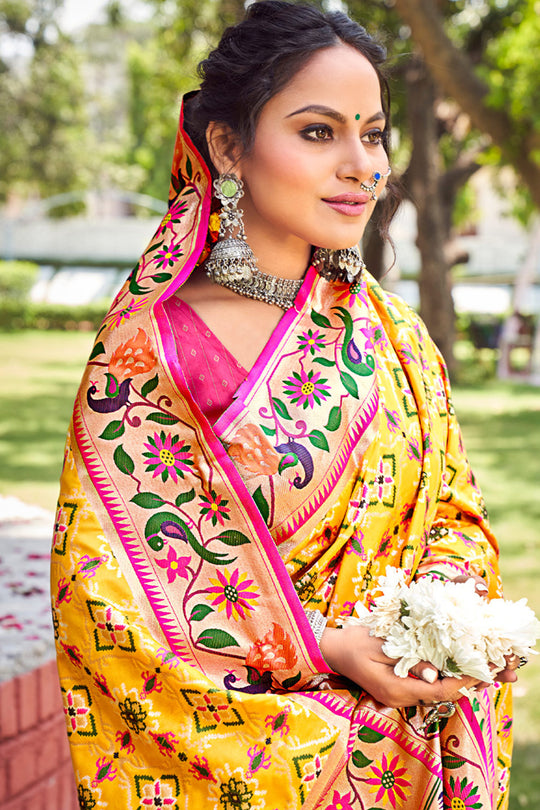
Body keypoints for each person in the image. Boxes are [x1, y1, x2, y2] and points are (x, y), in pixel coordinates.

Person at [51, 3, 518, 808]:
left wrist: (442, 624)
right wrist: (332, 647)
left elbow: (454, 512)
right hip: (257, 764)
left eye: (372, 134)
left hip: (411, 756)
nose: (361, 165)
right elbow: (111, 598)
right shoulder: (151, 351)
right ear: (228, 147)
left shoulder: (393, 334)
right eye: (317, 131)